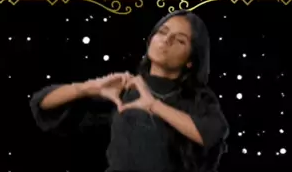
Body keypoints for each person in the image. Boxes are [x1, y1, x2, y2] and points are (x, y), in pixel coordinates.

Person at [29, 10, 229, 172]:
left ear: (191, 61)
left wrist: (153, 105)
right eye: (163, 32)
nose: (167, 40)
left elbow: (211, 134)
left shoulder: (198, 98)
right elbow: (43, 104)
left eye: (180, 40)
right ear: (150, 40)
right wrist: (89, 87)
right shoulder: (125, 89)